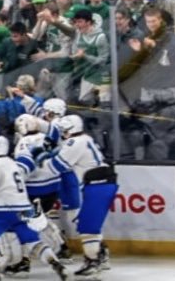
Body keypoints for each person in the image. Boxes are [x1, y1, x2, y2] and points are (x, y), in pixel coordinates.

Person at [0, 136, 68, 281]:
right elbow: (29, 162)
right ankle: (55, 263)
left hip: (3, 211)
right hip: (25, 209)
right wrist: (39, 150)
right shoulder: (14, 164)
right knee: (33, 242)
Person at [42, 115, 116, 276]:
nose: (62, 133)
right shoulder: (85, 138)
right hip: (102, 183)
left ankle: (93, 262)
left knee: (87, 227)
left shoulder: (74, 143)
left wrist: (43, 158)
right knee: (89, 225)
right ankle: (100, 256)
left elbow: (56, 167)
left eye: (64, 130)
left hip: (97, 184)